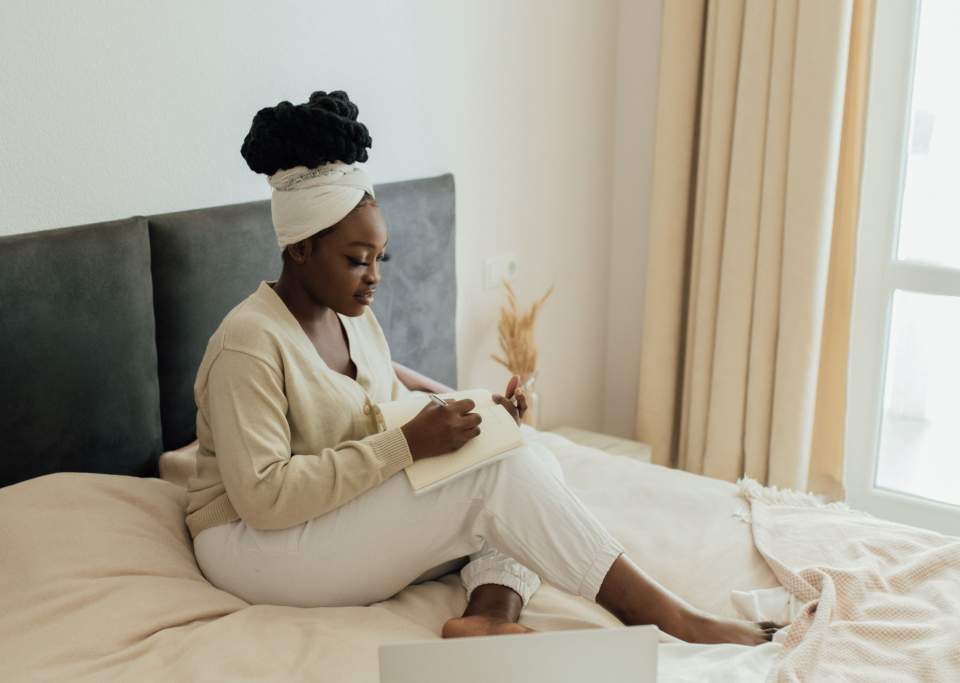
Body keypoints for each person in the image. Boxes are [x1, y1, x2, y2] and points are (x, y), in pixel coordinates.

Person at [185, 90, 779, 644]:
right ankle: (667, 617)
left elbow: (383, 394)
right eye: (357, 260)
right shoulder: (249, 343)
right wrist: (407, 448)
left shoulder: (352, 316)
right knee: (498, 479)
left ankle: (490, 614)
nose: (376, 277)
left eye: (379, 257)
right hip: (252, 546)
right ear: (300, 249)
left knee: (529, 457)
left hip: (318, 518)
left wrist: (477, 413)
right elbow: (265, 496)